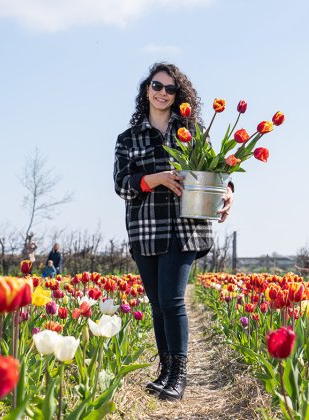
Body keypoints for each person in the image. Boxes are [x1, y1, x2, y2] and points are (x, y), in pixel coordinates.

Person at [113, 63, 233, 401]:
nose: (162, 93)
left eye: (169, 88)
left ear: (178, 95)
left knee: (173, 300)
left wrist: (229, 191)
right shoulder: (128, 139)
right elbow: (123, 185)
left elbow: (217, 172)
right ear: (146, 89)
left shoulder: (192, 133)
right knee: (156, 305)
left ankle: (179, 375)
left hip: (185, 228)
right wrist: (156, 179)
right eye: (157, 86)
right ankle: (165, 371)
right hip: (145, 229)